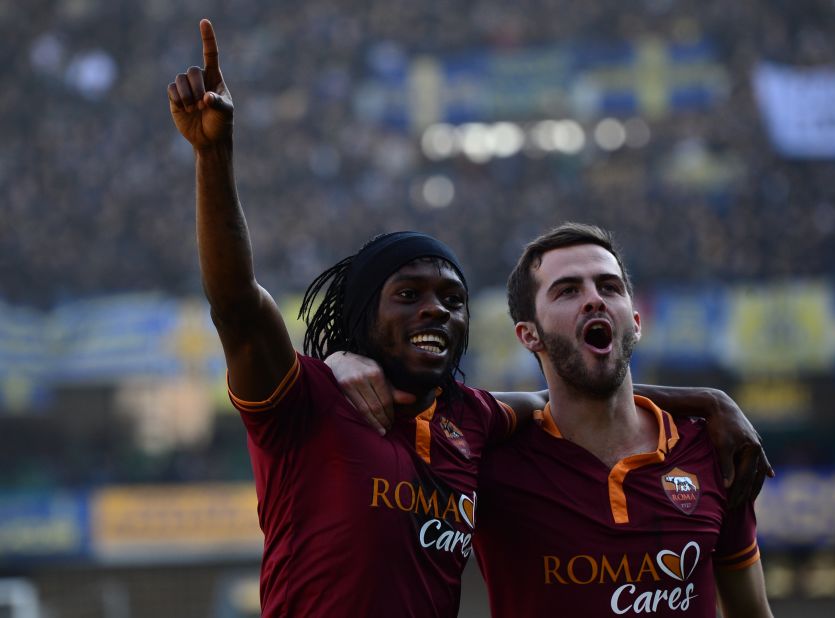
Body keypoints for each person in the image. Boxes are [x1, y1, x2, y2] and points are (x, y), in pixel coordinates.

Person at [168, 19, 769, 617]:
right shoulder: (307, 400)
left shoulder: (471, 421)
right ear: (362, 313)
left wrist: (709, 401)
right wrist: (214, 156)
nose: (435, 308)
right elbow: (238, 306)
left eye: (452, 300)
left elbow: (567, 393)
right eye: (408, 294)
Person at [472, 223, 773, 616]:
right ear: (530, 335)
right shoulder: (493, 462)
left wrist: (714, 402)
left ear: (635, 321)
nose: (594, 300)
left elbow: (752, 612)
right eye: (568, 290)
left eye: (609, 286)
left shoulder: (713, 451)